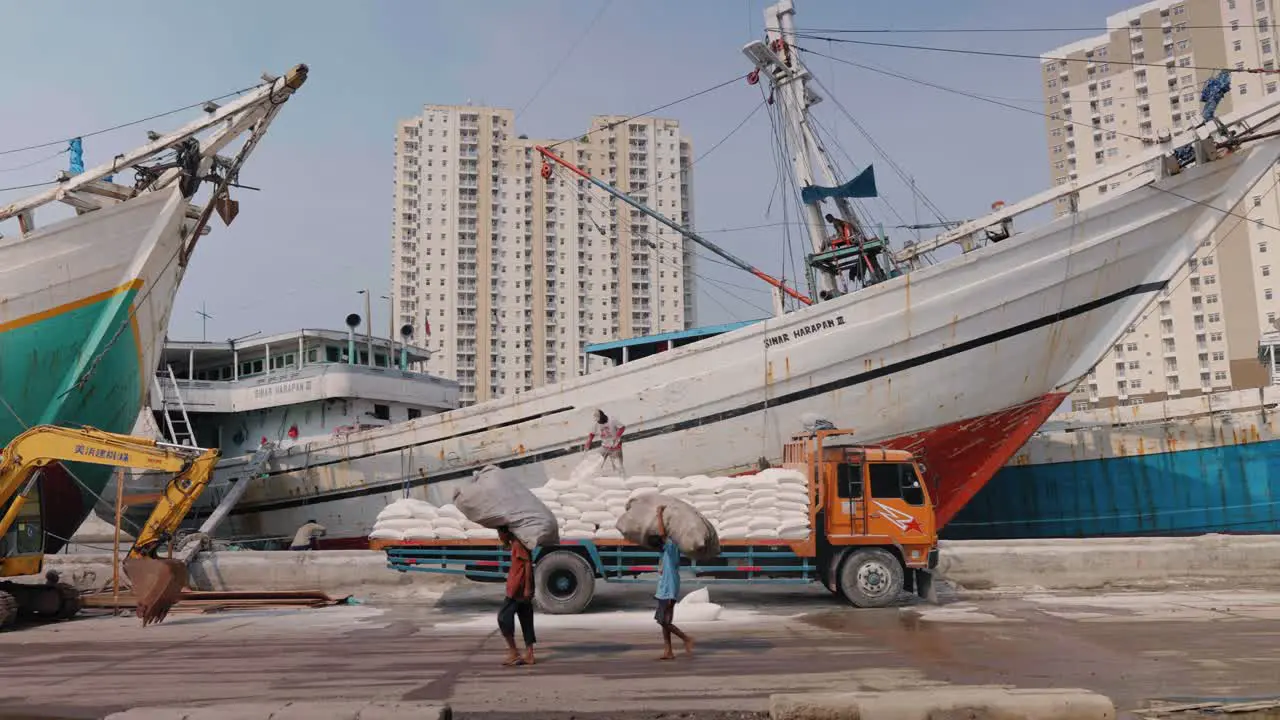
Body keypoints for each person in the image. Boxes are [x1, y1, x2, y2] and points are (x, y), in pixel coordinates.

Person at [654, 505, 693, 660]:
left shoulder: (671, 546)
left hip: (668, 589)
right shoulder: (666, 551)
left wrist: (659, 514)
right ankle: (668, 651)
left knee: (663, 620)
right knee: (665, 621)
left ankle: (686, 638)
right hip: (665, 588)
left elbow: (662, 534)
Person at [497, 526, 536, 666]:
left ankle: (513, 652)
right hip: (519, 588)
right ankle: (529, 654)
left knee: (503, 618)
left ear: (506, 533)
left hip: (517, 590)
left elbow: (527, 564)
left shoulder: (518, 544)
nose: (499, 537)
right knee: (526, 618)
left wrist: (527, 587)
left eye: (500, 533)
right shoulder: (516, 543)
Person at [584, 409, 626, 479]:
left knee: (618, 467)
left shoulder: (612, 420)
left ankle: (623, 480)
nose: (598, 422)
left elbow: (622, 427)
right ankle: (593, 478)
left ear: (602, 416)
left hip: (615, 447)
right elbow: (591, 434)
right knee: (595, 462)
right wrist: (588, 443)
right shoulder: (596, 424)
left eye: (599, 419)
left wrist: (617, 436)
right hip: (604, 447)